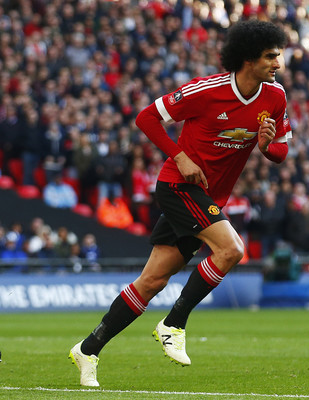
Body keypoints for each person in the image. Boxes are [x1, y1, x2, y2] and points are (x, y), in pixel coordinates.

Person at [69, 20, 291, 386]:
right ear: (248, 58)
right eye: (271, 56)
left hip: (209, 197)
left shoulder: (275, 97)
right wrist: (180, 155)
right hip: (178, 186)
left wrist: (268, 147)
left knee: (152, 280)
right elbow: (147, 118)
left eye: (278, 56)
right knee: (232, 250)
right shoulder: (206, 90)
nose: (277, 64)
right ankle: (174, 323)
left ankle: (88, 349)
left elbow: (281, 150)